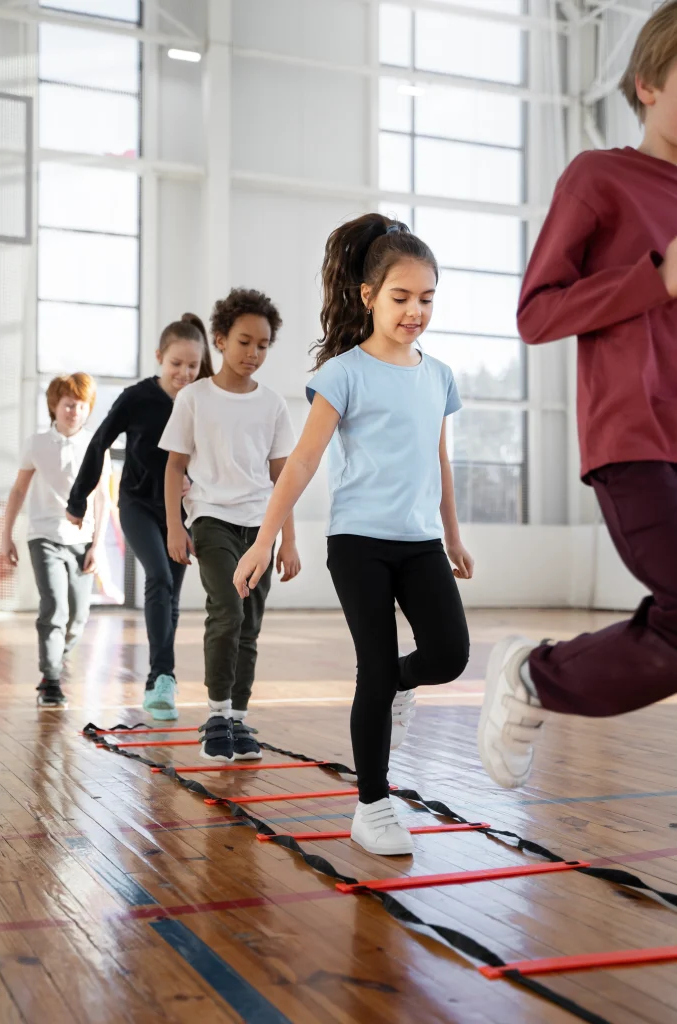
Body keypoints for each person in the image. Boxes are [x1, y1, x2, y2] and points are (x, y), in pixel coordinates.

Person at [478, 0, 677, 791]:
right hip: (633, 440)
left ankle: (535, 675)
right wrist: (655, 279)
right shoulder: (599, 177)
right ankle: (534, 675)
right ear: (648, 85)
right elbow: (536, 313)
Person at [233, 216, 473, 856]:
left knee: (449, 655)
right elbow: (305, 461)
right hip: (360, 543)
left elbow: (441, 460)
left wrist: (452, 536)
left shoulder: (439, 375)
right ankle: (373, 806)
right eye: (401, 298)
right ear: (368, 296)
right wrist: (265, 539)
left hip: (420, 543)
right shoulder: (343, 373)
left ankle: (399, 682)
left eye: (426, 298)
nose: (415, 311)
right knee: (373, 666)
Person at [161, 289, 300, 763]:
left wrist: (289, 540)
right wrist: (175, 527)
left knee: (250, 626)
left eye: (263, 345)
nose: (253, 354)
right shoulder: (195, 398)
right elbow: (175, 466)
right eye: (244, 342)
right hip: (210, 519)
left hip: (260, 528)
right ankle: (216, 714)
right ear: (219, 339)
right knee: (229, 611)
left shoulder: (274, 405)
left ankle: (238, 717)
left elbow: (284, 478)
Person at [67, 315, 213, 720]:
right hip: (137, 505)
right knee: (159, 578)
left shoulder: (202, 401)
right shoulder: (136, 398)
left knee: (171, 597)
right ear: (159, 358)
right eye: (176, 364)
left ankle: (160, 678)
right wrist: (78, 500)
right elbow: (99, 442)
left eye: (192, 366)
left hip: (181, 511)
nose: (184, 373)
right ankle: (160, 678)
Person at [3, 373, 110, 706]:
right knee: (55, 607)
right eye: (68, 404)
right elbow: (19, 489)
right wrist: (6, 536)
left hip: (82, 539)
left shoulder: (96, 446)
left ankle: (58, 657)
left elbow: (103, 497)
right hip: (44, 536)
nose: (74, 411)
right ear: (54, 406)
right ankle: (51, 679)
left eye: (80, 405)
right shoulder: (36, 443)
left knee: (78, 615)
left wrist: (98, 544)